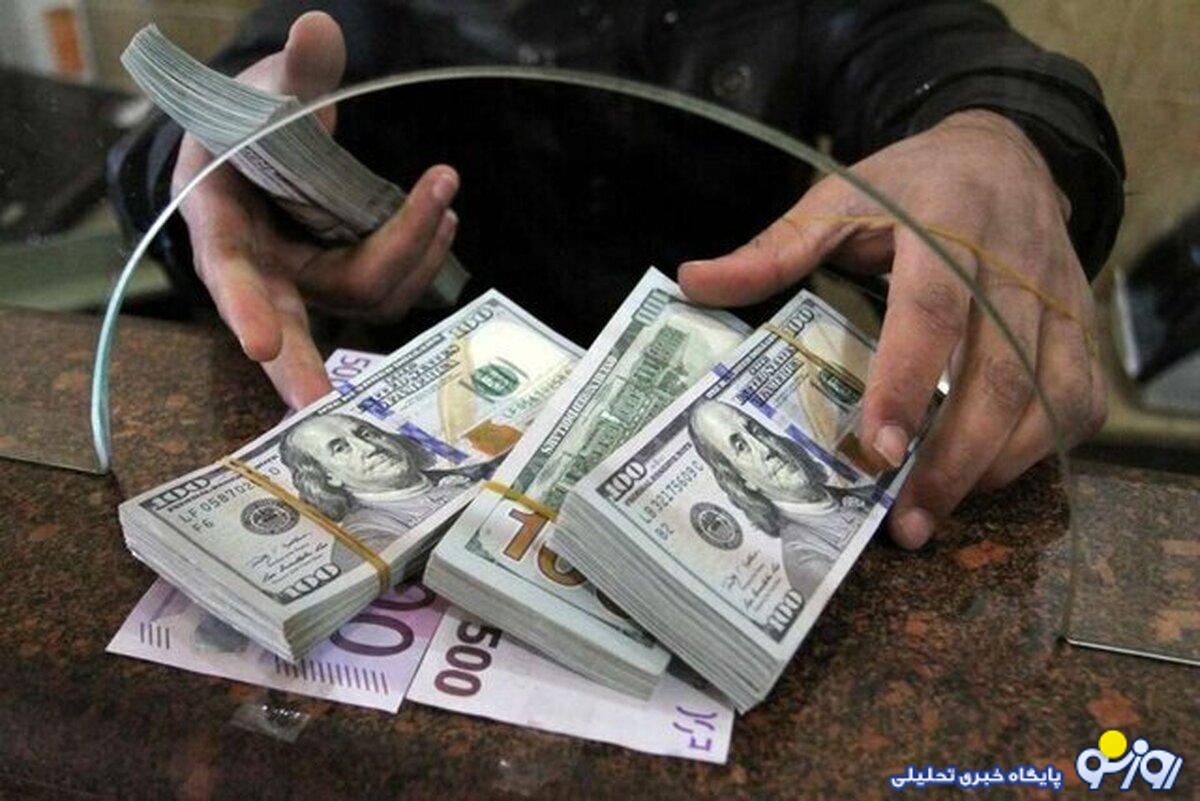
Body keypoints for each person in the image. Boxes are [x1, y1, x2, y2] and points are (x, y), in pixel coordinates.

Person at [109, 1, 1125, 551]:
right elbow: (251, 77)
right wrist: (219, 159)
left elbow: (953, 52)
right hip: (433, 459)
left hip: (729, 439)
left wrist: (1003, 141)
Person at [688, 399, 873, 599]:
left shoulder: (864, 494)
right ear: (741, 479)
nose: (766, 450)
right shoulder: (807, 559)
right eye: (741, 446)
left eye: (756, 430)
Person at [278, 413, 496, 550]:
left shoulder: (477, 472)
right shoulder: (367, 534)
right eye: (341, 448)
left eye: (367, 434)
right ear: (328, 477)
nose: (370, 448)